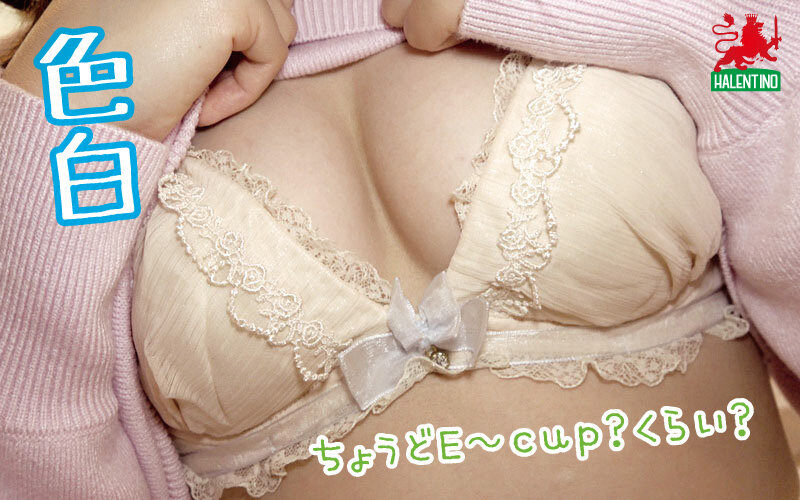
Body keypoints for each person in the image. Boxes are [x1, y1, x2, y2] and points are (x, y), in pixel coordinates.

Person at [0, 1, 798, 499]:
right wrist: (60, 108)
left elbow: (765, 71)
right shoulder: (88, 75)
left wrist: (671, 15)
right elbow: (31, 445)